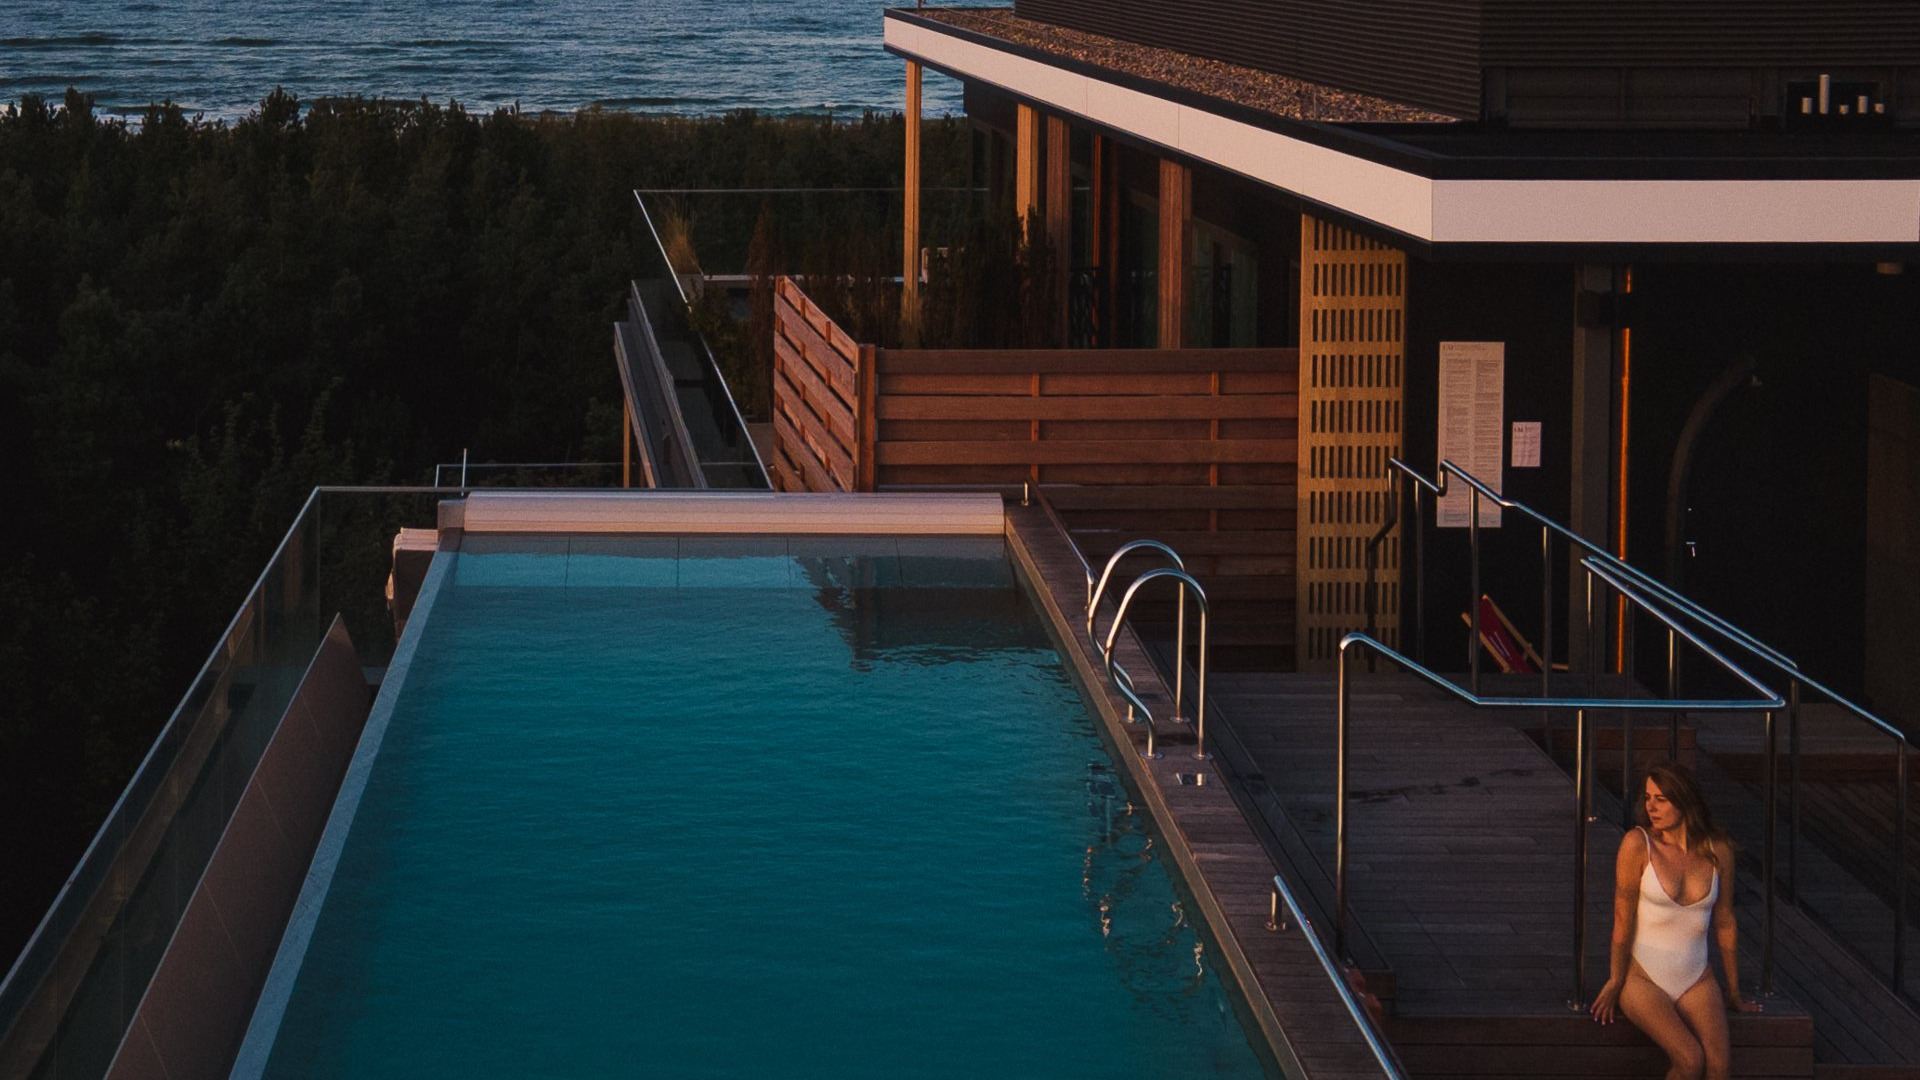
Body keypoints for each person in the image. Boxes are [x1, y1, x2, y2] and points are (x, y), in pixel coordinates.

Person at [1590, 761, 1761, 1080]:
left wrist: (1734, 991)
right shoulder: (1637, 844)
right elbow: (1622, 918)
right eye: (1648, 797)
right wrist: (1616, 979)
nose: (1650, 807)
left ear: (1684, 800)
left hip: (1698, 979)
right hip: (1643, 980)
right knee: (1690, 1059)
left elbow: (1725, 921)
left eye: (1661, 799)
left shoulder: (1717, 849)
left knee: (1720, 1068)